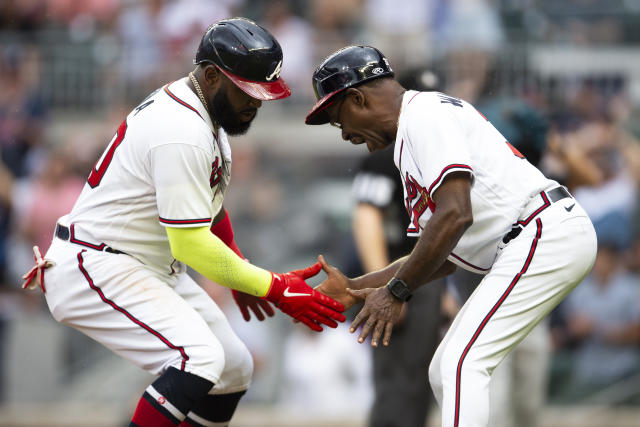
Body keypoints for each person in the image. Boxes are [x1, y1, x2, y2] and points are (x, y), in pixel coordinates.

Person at [20, 18, 345, 427]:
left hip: (137, 264)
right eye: (248, 91)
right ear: (211, 75)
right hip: (95, 263)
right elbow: (189, 244)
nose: (257, 103)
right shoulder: (182, 129)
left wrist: (238, 274)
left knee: (233, 366)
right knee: (201, 358)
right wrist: (272, 285)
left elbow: (211, 211)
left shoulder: (202, 116)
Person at [307, 45, 597, 427]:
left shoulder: (423, 114)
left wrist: (396, 291)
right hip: (528, 239)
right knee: (446, 367)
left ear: (357, 98)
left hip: (542, 231)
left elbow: (456, 213)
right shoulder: (409, 139)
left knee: (463, 363)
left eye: (336, 117)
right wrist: (359, 285)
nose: (343, 134)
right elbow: (443, 254)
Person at [351, 68, 445, 427]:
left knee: (420, 385)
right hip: (397, 274)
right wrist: (386, 287)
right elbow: (366, 217)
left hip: (427, 275)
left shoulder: (430, 152)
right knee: (396, 386)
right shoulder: (384, 154)